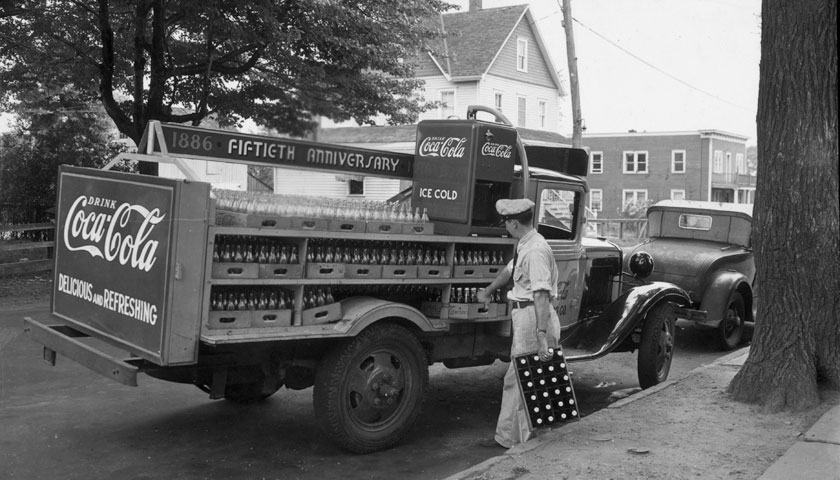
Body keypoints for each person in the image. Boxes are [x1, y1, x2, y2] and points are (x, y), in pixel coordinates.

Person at [476, 198, 561, 449]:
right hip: (527, 315)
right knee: (520, 380)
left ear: (514, 223)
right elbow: (510, 270)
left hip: (534, 317)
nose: (505, 226)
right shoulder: (527, 244)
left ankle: (527, 445)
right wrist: (489, 290)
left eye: (506, 222)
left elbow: (541, 294)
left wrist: (541, 334)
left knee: (529, 381)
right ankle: (510, 439)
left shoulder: (535, 251)